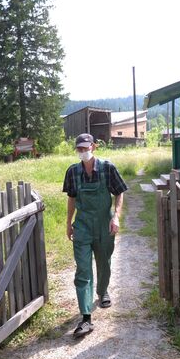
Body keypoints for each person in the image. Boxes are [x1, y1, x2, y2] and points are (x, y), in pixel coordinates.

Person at [62, 133, 128, 338]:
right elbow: (72, 199)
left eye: (85, 148)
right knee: (83, 270)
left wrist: (116, 217)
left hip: (104, 225)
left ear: (94, 146)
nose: (82, 152)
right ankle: (86, 317)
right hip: (82, 227)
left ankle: (102, 291)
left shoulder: (108, 168)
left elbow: (119, 192)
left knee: (104, 262)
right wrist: (68, 224)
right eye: (79, 149)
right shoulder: (72, 172)